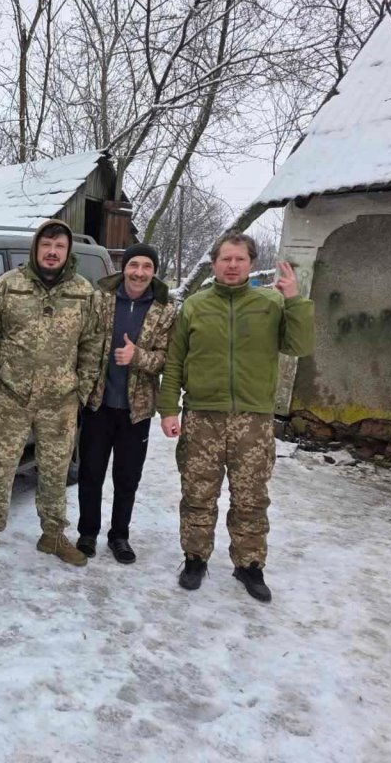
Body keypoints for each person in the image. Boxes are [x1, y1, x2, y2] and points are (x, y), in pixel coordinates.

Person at [158, 230, 314, 602]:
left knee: (250, 498)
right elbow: (175, 361)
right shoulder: (194, 306)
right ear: (214, 263)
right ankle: (195, 558)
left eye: (239, 259)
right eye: (225, 259)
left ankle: (249, 565)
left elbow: (300, 345)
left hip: (253, 421)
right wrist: (168, 408)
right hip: (202, 418)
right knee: (197, 494)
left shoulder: (271, 304)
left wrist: (294, 299)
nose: (232, 265)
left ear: (251, 263)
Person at [0, 219, 101, 569]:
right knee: (0, 469)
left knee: (56, 472)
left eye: (60, 246)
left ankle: (53, 535)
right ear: (36, 248)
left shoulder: (82, 292)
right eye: (47, 244)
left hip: (60, 401)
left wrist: (82, 389)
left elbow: (92, 343)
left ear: (67, 251)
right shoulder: (9, 286)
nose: (53, 251)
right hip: (12, 396)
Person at [77, 243, 177, 564]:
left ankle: (119, 535)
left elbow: (168, 359)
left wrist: (138, 357)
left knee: (127, 476)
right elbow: (81, 340)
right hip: (99, 404)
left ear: (154, 272)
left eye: (147, 267)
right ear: (124, 268)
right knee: (91, 472)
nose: (139, 272)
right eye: (134, 265)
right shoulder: (101, 300)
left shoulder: (165, 310)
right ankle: (87, 532)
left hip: (137, 410)